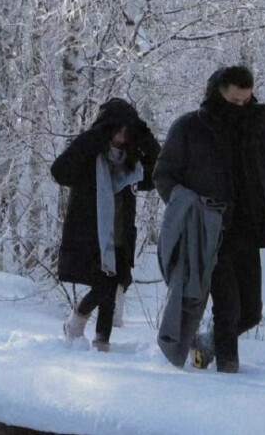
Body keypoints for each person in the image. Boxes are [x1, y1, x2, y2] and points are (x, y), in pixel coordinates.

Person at [153, 64, 265, 373]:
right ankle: (228, 375)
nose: (242, 107)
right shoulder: (189, 128)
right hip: (210, 233)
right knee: (228, 308)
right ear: (219, 95)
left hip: (248, 231)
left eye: (247, 100)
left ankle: (207, 343)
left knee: (251, 312)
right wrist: (188, 210)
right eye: (235, 101)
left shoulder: (260, 125)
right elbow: (163, 175)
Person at [51, 97, 160, 351]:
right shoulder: (90, 160)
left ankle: (102, 342)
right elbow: (60, 171)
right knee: (102, 287)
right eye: (116, 129)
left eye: (127, 131)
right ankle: (77, 322)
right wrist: (92, 137)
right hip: (91, 236)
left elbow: (160, 168)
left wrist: (144, 134)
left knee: (112, 289)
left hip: (121, 235)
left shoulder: (132, 165)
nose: (122, 136)